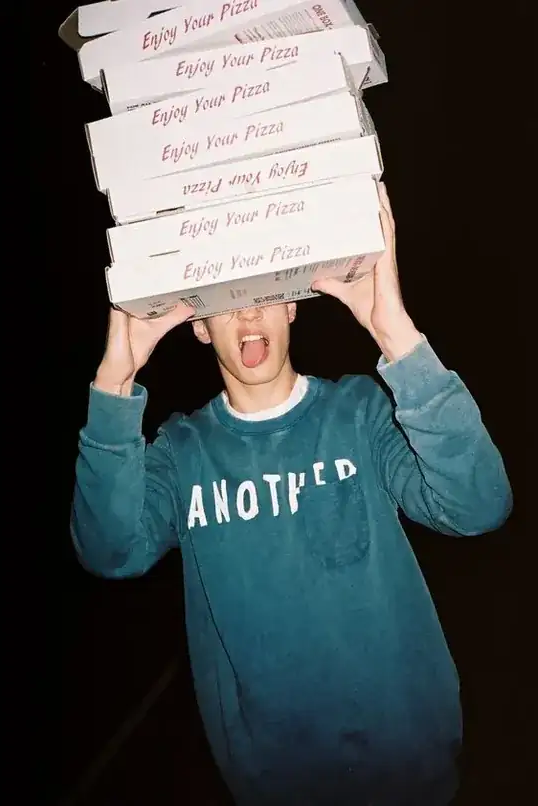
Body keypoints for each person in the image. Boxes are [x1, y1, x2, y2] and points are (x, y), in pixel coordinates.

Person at [72, 184, 512, 806]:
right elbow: (108, 552)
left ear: (293, 307)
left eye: (265, 296)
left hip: (412, 776)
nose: (249, 315)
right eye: (227, 301)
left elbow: (478, 505)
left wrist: (393, 328)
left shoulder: (360, 414)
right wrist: (114, 382)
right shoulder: (181, 453)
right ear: (198, 325)